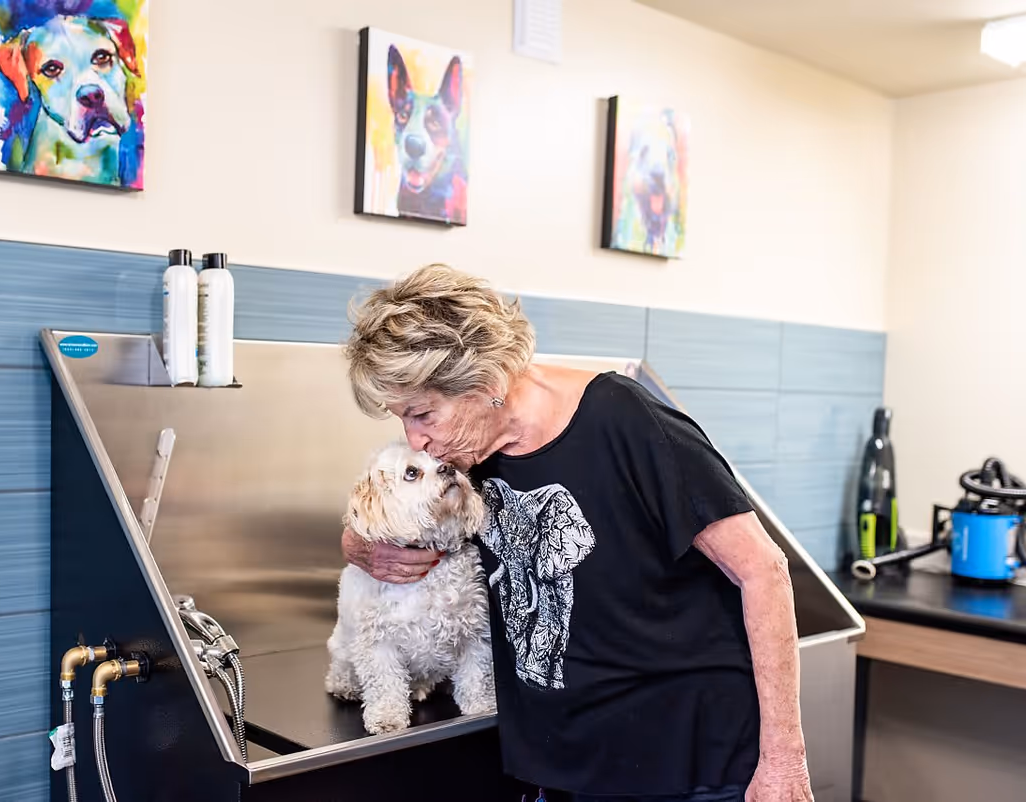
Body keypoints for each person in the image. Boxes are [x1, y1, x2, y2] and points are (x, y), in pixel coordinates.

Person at [339, 264, 813, 802]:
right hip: (559, 762)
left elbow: (763, 570)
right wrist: (359, 546)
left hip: (680, 765)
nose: (416, 441)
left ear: (486, 383)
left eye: (423, 414)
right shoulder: (468, 455)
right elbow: (405, 522)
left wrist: (784, 761)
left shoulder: (626, 422)